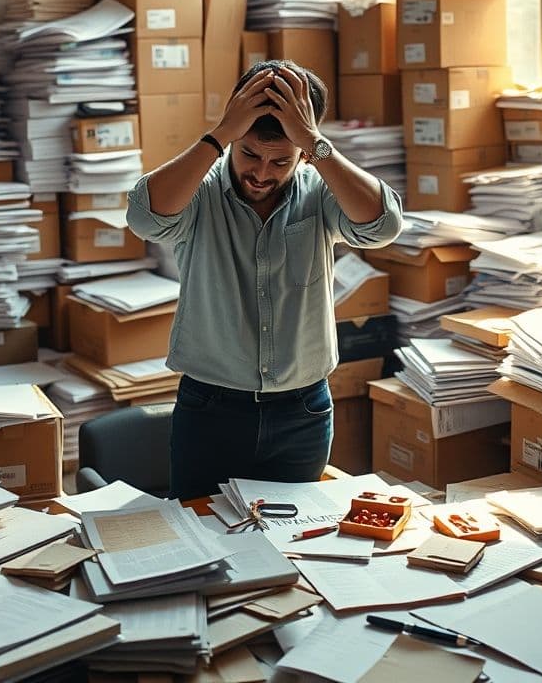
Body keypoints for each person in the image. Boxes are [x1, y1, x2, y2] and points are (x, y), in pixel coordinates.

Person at [126, 60, 403, 500]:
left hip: (303, 410)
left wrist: (315, 144)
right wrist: (218, 135)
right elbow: (143, 216)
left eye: (280, 160)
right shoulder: (201, 188)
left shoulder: (318, 188)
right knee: (206, 545)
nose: (260, 173)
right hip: (210, 410)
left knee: (294, 549)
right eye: (249, 153)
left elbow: (383, 226)